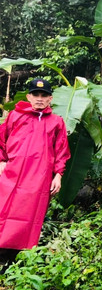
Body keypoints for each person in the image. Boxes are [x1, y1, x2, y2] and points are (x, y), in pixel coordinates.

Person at [0, 78, 70, 254]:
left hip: (39, 179)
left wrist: (58, 175)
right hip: (11, 175)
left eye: (44, 95)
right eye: (36, 94)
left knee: (29, 216)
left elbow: (61, 150)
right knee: (3, 210)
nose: (40, 98)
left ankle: (15, 258)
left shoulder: (56, 122)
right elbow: (2, 138)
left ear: (50, 99)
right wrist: (1, 162)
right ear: (29, 96)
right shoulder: (15, 116)